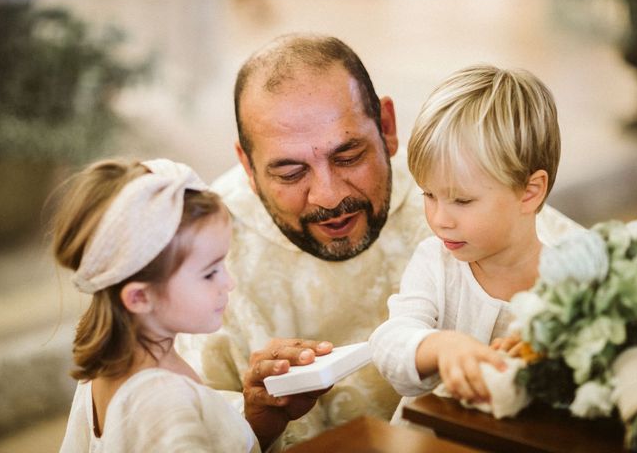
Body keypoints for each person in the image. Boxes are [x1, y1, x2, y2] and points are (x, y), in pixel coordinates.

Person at [176, 34, 580, 447]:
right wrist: (254, 421)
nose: (329, 195)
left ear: (387, 127)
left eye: (348, 157)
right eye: (291, 173)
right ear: (247, 163)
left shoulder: (455, 174)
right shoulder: (203, 248)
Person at [54, 158, 310, 452]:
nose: (228, 283)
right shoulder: (164, 403)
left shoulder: (105, 368)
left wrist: (259, 426)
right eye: (210, 272)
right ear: (139, 297)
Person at [369, 65, 570, 419]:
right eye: (428, 194)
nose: (439, 219)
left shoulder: (570, 283)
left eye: (461, 200)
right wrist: (441, 346)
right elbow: (389, 344)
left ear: (529, 191)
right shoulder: (435, 263)